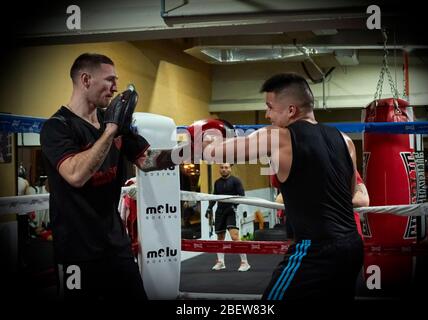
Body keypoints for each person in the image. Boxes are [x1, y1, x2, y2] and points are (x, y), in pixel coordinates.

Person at [202, 73, 363, 300]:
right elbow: (350, 193)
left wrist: (204, 138)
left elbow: (215, 153)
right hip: (351, 246)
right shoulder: (345, 140)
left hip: (314, 249)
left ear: (290, 110)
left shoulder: (279, 137)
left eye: (270, 107)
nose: (267, 114)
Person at [40, 53, 178, 300]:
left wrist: (190, 151)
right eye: (110, 80)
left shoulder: (111, 122)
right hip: (77, 254)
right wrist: (111, 130)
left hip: (116, 247)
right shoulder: (57, 127)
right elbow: (75, 175)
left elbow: (147, 159)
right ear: (85, 80)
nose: (116, 88)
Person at [206, 163, 251, 272]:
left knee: (235, 237)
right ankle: (221, 262)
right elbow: (214, 196)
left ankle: (245, 262)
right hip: (220, 211)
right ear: (219, 169)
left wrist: (234, 206)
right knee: (220, 237)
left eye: (226, 168)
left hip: (231, 211)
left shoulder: (236, 181)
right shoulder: (217, 182)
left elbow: (242, 195)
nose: (224, 170)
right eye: (222, 168)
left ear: (230, 169)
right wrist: (209, 208)